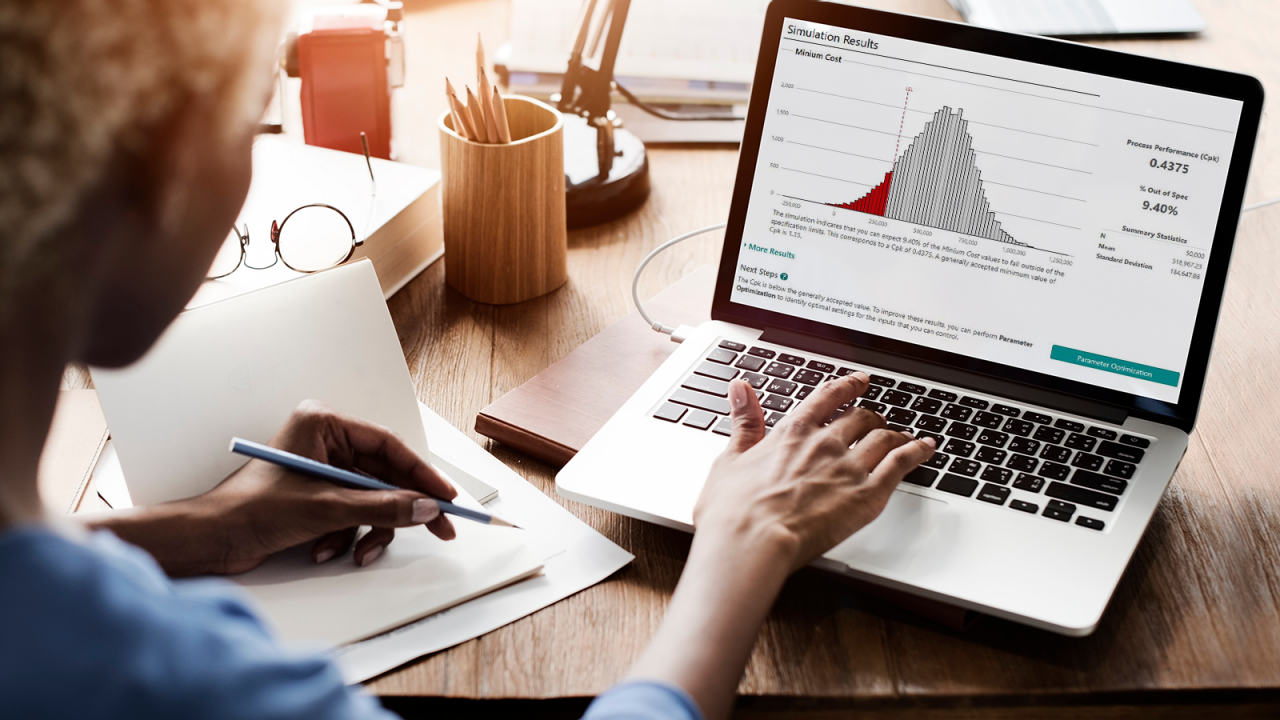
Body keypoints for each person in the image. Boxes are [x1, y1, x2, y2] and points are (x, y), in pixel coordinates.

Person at [0, 1, 935, 718]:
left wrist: (205, 528)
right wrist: (743, 544)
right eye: (252, 122)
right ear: (154, 176)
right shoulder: (184, 683)